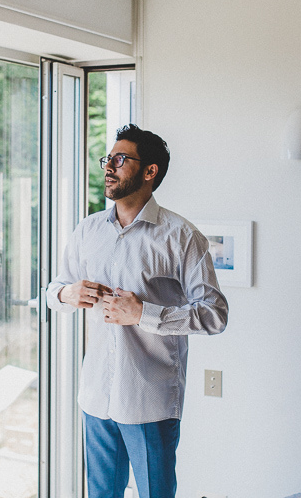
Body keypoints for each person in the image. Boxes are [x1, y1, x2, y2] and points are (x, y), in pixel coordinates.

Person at [46, 124, 228, 498]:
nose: (109, 167)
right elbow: (52, 292)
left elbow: (214, 314)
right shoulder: (87, 230)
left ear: (150, 172)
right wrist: (68, 293)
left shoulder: (181, 236)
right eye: (108, 159)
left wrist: (143, 313)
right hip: (96, 395)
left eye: (120, 159)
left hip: (149, 400)